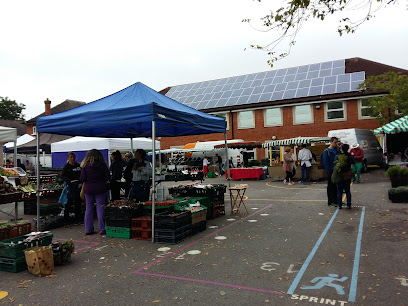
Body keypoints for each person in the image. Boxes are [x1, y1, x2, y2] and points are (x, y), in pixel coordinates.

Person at [80, 149, 110, 235]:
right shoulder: (102, 165)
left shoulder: (85, 166)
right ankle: (102, 229)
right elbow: (107, 176)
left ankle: (88, 229)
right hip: (100, 188)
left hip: (88, 189)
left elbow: (82, 178)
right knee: (100, 208)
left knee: (88, 209)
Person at [60, 152, 82, 226]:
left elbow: (82, 174)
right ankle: (66, 220)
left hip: (78, 186)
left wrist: (80, 182)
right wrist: (69, 181)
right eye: (71, 157)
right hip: (70, 187)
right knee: (68, 203)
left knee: (78, 203)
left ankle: (77, 219)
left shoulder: (78, 166)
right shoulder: (67, 166)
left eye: (73, 157)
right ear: (68, 158)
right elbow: (62, 176)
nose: (72, 159)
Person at [335, 143, 355, 209]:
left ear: (341, 149)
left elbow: (335, 163)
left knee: (339, 190)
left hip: (340, 174)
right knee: (347, 190)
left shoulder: (338, 156)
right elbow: (353, 162)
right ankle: (349, 204)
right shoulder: (350, 156)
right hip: (347, 174)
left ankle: (339, 205)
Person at [322, 137, 339, 207]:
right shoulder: (326, 152)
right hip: (331, 171)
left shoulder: (336, 150)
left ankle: (336, 200)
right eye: (335, 142)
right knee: (331, 187)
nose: (336, 144)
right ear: (331, 142)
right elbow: (325, 162)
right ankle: (331, 201)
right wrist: (328, 171)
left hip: (336, 170)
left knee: (337, 187)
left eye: (337, 142)